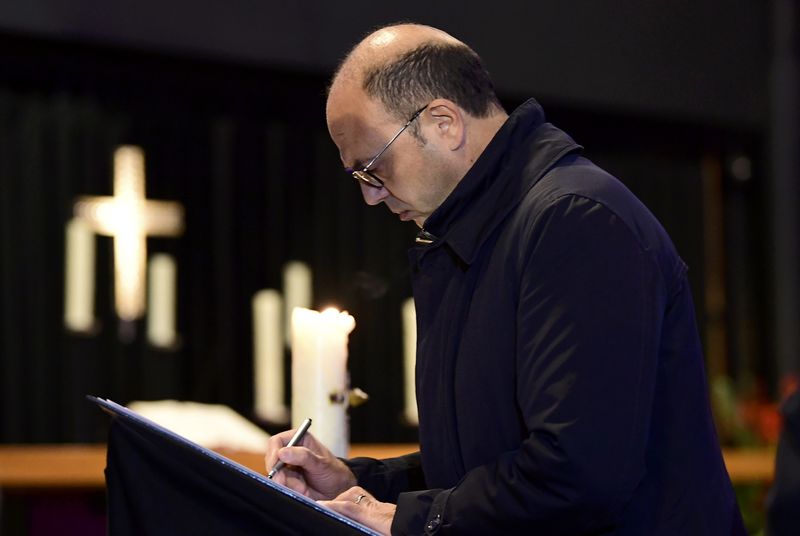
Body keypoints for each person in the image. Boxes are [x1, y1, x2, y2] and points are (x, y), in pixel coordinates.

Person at [265, 23, 745, 535]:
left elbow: (577, 473)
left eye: (373, 167)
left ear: (443, 122)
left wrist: (409, 520)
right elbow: (480, 462)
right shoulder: (476, 232)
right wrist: (357, 483)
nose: (371, 196)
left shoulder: (575, 220)